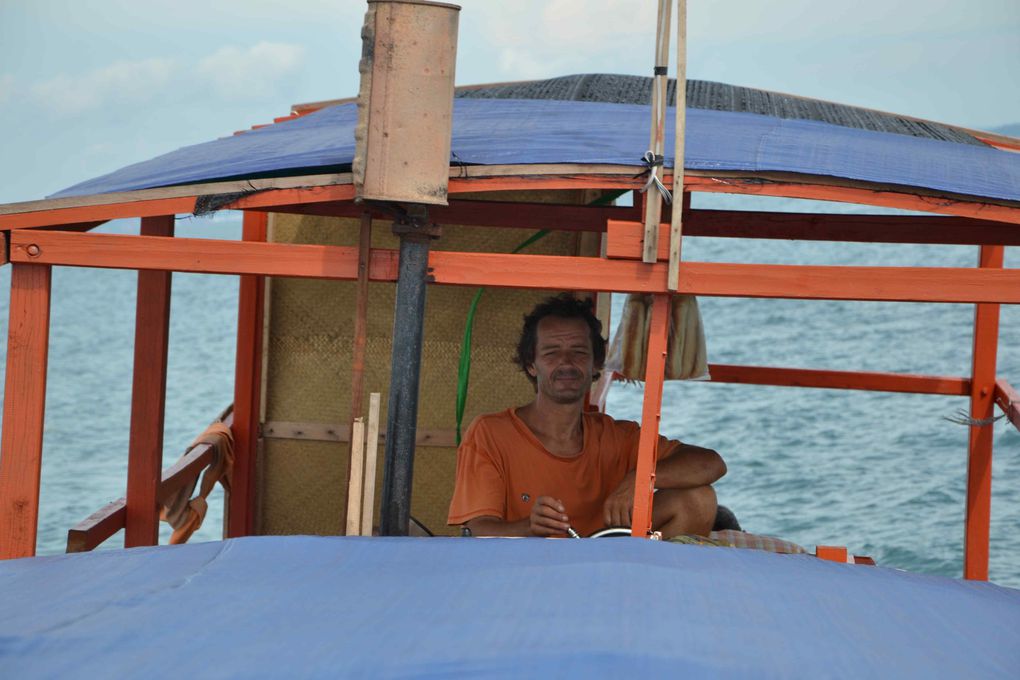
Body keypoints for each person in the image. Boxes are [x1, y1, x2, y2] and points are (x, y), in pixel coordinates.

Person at [448, 293, 726, 538]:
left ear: (596, 364)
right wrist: (528, 527)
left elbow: (711, 463)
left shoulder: (617, 436)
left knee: (699, 499)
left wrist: (641, 478)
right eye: (552, 352)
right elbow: (477, 530)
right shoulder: (491, 433)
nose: (566, 362)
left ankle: (646, 592)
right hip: (527, 577)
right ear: (531, 364)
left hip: (608, 572)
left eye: (578, 352)